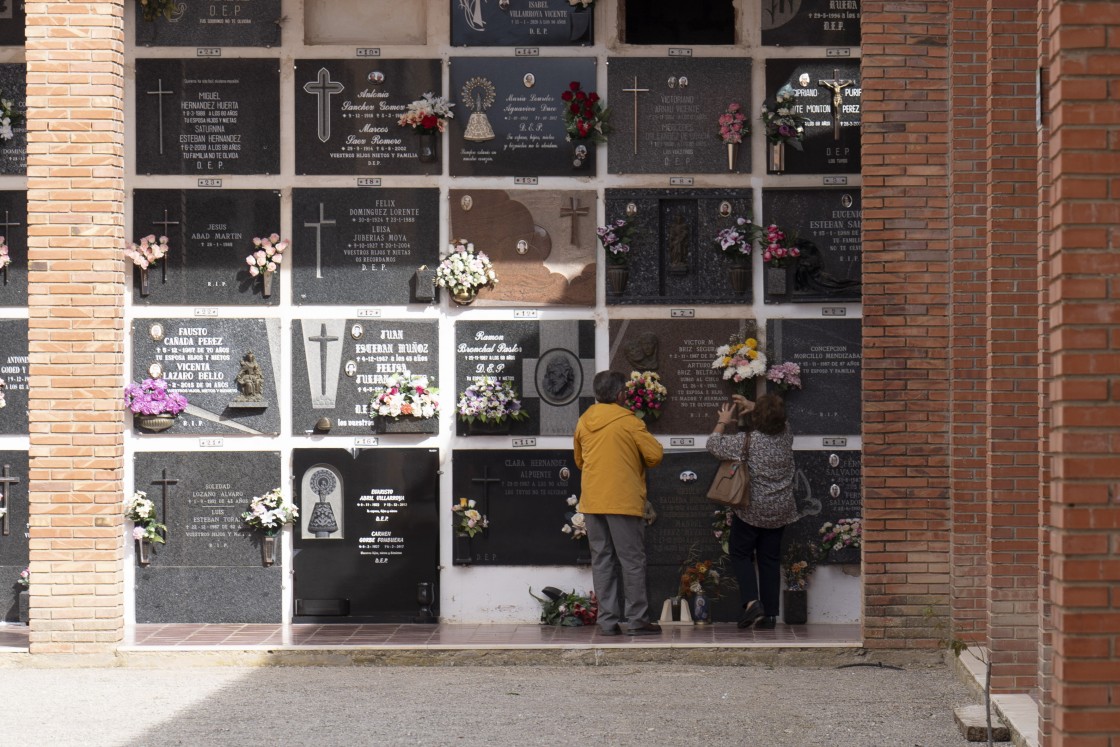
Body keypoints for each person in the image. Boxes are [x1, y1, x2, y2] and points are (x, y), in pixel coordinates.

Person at [573, 370, 665, 636]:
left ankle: (607, 622)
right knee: (632, 561)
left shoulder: (583, 421)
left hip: (592, 502)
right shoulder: (628, 421)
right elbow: (655, 456)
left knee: (602, 560)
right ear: (620, 395)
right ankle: (637, 620)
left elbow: (579, 462)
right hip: (623, 501)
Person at [706, 393, 798, 629]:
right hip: (780, 510)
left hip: (751, 510)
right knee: (769, 558)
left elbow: (713, 445)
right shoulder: (786, 434)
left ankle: (751, 603)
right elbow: (778, 418)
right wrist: (756, 406)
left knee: (740, 554)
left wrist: (723, 421)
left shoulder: (748, 441)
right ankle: (769, 615)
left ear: (757, 418)